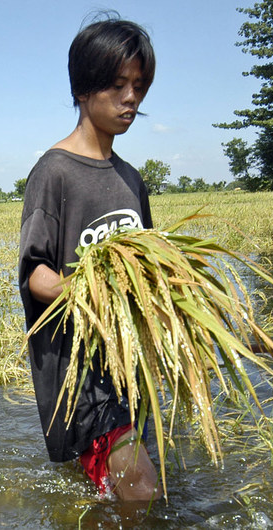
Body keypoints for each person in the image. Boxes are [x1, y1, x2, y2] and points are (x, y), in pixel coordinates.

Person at [18, 15, 160, 502]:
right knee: (140, 490)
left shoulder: (131, 180)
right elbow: (35, 273)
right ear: (83, 89)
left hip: (126, 365)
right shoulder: (54, 173)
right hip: (81, 373)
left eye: (138, 85)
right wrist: (92, 286)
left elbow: (149, 265)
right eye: (118, 85)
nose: (131, 98)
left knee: (120, 494)